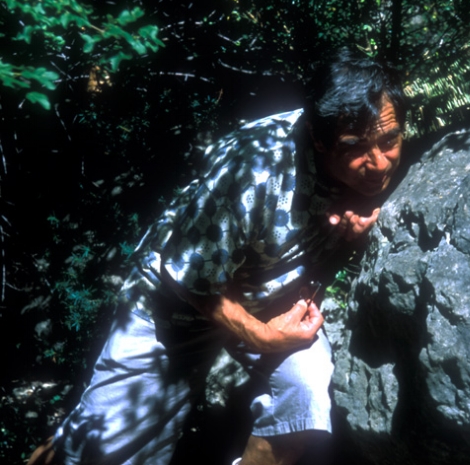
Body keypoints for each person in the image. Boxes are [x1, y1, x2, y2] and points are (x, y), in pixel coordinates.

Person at [28, 47, 406, 465]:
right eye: (355, 148)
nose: (377, 163)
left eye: (389, 141)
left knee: (306, 395)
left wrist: (354, 240)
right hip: (173, 304)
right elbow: (188, 275)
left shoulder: (387, 167)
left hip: (274, 300)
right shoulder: (252, 168)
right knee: (96, 451)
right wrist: (260, 336)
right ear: (319, 138)